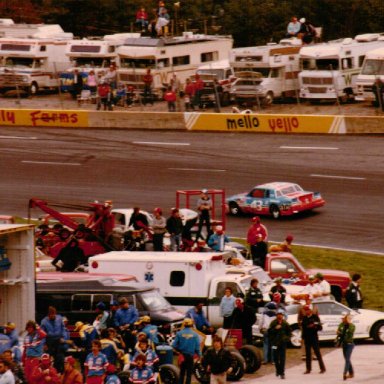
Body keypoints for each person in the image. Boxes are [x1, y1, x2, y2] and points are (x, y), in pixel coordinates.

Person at [172, 318, 201, 384]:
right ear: (191, 325)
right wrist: (199, 355)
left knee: (181, 373)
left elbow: (174, 345)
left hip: (182, 356)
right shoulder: (195, 334)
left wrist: (178, 351)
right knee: (189, 374)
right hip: (190, 356)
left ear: (184, 324)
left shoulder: (179, 333)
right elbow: (197, 347)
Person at [40, 306, 66, 373]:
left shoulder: (59, 318)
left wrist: (63, 337)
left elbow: (63, 328)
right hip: (49, 341)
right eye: (51, 315)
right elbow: (42, 334)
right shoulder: (44, 321)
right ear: (48, 315)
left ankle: (59, 374)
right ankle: (48, 373)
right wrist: (44, 344)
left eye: (54, 314)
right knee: (47, 359)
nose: (53, 316)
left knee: (60, 359)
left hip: (59, 340)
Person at [268, 308, 292, 379]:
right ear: (276, 315)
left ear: (282, 315)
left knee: (282, 358)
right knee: (275, 357)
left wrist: (287, 338)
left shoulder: (285, 323)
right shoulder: (273, 323)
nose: (279, 316)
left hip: (283, 343)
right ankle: (278, 370)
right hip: (274, 344)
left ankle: (282, 373)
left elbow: (289, 332)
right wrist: (275, 329)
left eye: (281, 315)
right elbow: (269, 332)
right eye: (278, 314)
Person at [302, 305, 326, 374]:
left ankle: (322, 368)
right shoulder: (304, 318)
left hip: (314, 337)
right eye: (305, 310)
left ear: (310, 310)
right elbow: (304, 328)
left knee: (317, 353)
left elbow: (320, 327)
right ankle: (308, 369)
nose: (306, 312)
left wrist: (314, 326)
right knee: (308, 354)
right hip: (307, 338)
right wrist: (303, 338)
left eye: (307, 310)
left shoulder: (315, 317)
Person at [336, 314, 355, 380]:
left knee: (347, 359)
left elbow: (350, 332)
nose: (342, 319)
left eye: (343, 318)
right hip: (344, 344)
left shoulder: (352, 325)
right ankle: (351, 373)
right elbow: (338, 331)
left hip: (350, 344)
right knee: (347, 359)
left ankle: (345, 373)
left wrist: (348, 324)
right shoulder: (341, 325)